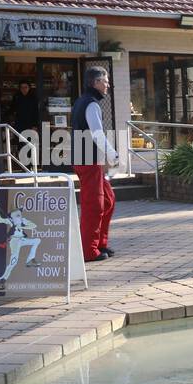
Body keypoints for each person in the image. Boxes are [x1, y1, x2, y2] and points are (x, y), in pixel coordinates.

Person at [70, 67, 119, 262]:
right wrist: (113, 155)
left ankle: (100, 244)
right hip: (87, 160)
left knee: (108, 200)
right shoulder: (91, 104)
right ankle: (89, 251)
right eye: (105, 81)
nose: (107, 85)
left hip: (90, 159)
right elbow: (97, 133)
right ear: (95, 83)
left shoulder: (83, 101)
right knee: (94, 205)